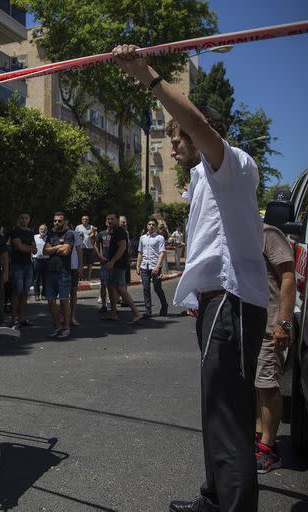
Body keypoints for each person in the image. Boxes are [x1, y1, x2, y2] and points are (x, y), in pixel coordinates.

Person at [114, 44, 268, 512]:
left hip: (233, 302)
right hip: (215, 304)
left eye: (177, 136)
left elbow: (199, 127)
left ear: (203, 135)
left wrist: (148, 76)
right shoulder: (204, 179)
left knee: (227, 413)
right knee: (214, 410)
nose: (173, 143)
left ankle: (234, 505)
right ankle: (214, 497)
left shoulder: (233, 166)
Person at [255, 223, 295, 473]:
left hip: (271, 326)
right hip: (249, 326)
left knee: (267, 385)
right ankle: (259, 438)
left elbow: (288, 276)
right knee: (255, 385)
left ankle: (270, 449)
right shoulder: (241, 233)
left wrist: (283, 322)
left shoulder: (268, 233)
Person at [103, 213, 143, 324]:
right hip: (114, 265)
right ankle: (113, 313)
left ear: (117, 220)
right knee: (111, 287)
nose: (110, 221)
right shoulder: (113, 232)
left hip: (118, 265)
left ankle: (136, 313)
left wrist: (112, 262)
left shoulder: (119, 231)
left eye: (112, 219)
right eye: (108, 219)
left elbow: (122, 248)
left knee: (120, 289)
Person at [43, 212, 74, 339]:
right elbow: (45, 250)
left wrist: (53, 248)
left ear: (65, 221)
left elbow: (66, 251)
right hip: (50, 272)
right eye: (55, 221)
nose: (56, 223)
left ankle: (66, 327)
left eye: (59, 221)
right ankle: (57, 326)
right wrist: (59, 247)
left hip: (63, 272)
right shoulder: (51, 234)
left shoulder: (69, 234)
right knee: (50, 301)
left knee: (64, 301)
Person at [136, 219, 169, 317]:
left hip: (155, 266)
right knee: (146, 288)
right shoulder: (142, 238)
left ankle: (164, 305)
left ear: (156, 226)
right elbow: (140, 252)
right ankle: (148, 310)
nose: (151, 226)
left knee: (157, 288)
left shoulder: (160, 238)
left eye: (153, 225)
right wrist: (138, 266)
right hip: (144, 266)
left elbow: (162, 253)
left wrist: (157, 267)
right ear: (147, 226)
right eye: (149, 224)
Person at [9, 213, 37, 328]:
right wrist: (28, 248)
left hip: (28, 265)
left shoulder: (30, 232)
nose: (23, 220)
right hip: (17, 265)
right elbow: (19, 247)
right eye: (21, 218)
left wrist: (26, 248)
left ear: (29, 220)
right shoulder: (15, 231)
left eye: (26, 218)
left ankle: (22, 318)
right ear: (18, 219)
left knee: (25, 293)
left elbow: (35, 250)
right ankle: (14, 318)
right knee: (17, 292)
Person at [67, 217, 84, 327]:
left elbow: (79, 251)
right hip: (61, 268)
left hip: (73, 268)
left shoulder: (74, 234)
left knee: (73, 293)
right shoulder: (54, 234)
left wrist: (80, 266)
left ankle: (72, 317)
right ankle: (63, 316)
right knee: (62, 295)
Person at [94, 224, 113, 313]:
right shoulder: (101, 234)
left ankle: (113, 305)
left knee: (113, 285)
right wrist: (100, 257)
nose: (110, 222)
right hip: (104, 263)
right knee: (103, 284)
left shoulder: (117, 234)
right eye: (108, 220)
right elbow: (96, 245)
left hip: (114, 263)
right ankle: (104, 304)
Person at [75, 216, 96, 280]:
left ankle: (89, 276)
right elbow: (75, 236)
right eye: (84, 219)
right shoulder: (78, 227)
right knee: (81, 262)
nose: (85, 220)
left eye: (86, 219)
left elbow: (95, 236)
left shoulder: (92, 227)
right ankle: (81, 276)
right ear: (81, 220)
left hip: (90, 247)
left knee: (90, 263)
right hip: (81, 247)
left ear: (88, 220)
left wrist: (93, 234)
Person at [32, 224, 49, 301]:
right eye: (41, 229)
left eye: (44, 229)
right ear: (39, 230)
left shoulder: (49, 238)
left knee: (45, 278)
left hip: (46, 260)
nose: (43, 230)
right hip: (36, 260)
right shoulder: (34, 237)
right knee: (36, 279)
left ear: (47, 230)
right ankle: (37, 294)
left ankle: (44, 294)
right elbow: (31, 247)